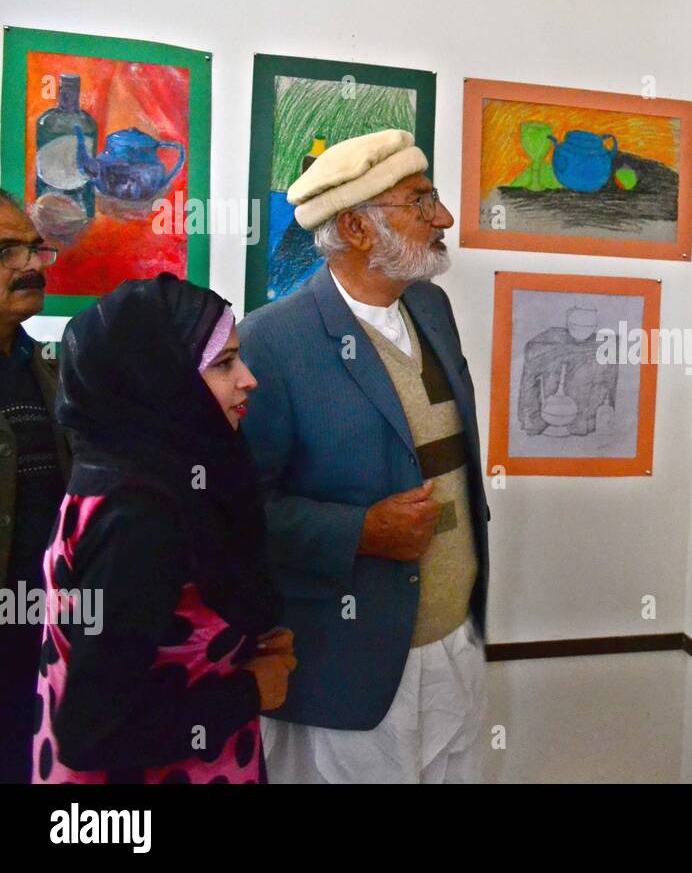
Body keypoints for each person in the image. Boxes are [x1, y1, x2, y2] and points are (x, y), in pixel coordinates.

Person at [239, 128, 490, 784]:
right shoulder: (270, 342)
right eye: (421, 201)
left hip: (455, 637)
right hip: (347, 662)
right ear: (354, 227)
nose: (445, 218)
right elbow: (237, 509)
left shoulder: (431, 308)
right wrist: (358, 531)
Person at [31, 273, 293, 783]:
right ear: (160, 379)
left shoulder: (126, 471)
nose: (249, 379)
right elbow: (93, 732)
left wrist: (239, 647)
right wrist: (250, 690)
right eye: (223, 364)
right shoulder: (140, 518)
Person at [0, 190, 69, 785]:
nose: (30, 264)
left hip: (40, 643)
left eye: (33, 247)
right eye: (6, 251)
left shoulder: (44, 367)